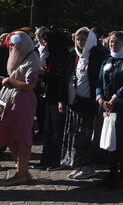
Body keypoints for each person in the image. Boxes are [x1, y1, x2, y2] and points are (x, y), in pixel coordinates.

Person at [59, 27, 107, 180]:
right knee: (74, 135)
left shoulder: (96, 56)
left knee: (85, 135)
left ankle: (87, 166)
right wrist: (63, 99)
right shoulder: (75, 56)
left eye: (84, 39)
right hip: (75, 102)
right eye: (78, 39)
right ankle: (78, 164)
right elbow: (66, 77)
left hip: (88, 103)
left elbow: (98, 80)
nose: (80, 42)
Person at [95, 31, 123, 189]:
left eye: (116, 42)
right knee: (109, 139)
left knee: (122, 140)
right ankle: (111, 173)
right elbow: (99, 81)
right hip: (106, 107)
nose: (113, 45)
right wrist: (100, 98)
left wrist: (115, 98)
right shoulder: (107, 60)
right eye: (111, 42)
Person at [0, 31, 43, 186]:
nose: (11, 48)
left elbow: (30, 84)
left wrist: (10, 81)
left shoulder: (32, 59)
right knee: (10, 135)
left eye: (14, 45)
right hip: (10, 99)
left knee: (20, 138)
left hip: (23, 102)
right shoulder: (19, 56)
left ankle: (21, 173)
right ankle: (23, 171)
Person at [37, 29, 72, 170]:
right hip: (50, 97)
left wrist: (44, 75)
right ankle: (46, 159)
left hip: (58, 98)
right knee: (47, 129)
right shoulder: (52, 55)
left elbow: (61, 80)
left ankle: (55, 160)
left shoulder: (64, 57)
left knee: (57, 131)